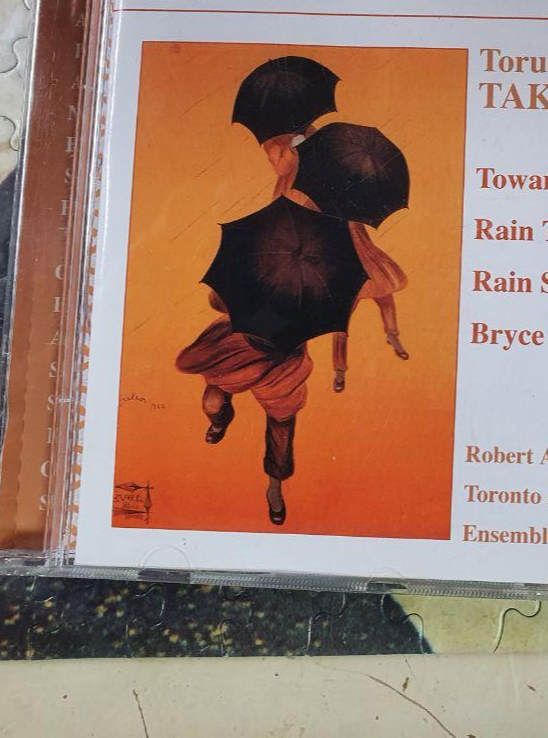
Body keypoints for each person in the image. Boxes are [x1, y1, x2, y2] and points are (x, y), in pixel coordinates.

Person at [262, 131, 409, 393]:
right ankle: (339, 369)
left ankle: (392, 335)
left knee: (385, 294)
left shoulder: (340, 174)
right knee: (342, 317)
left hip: (360, 249)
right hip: (337, 259)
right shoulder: (297, 178)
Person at [175, 289, 311, 525]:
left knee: (281, 427)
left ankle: (275, 486)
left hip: (282, 367)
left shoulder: (303, 298)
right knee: (212, 405)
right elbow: (216, 301)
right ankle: (221, 421)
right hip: (237, 344)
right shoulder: (236, 318)